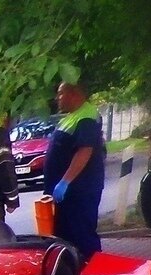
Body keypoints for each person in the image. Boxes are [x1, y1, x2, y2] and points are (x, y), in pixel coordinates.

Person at [44, 82, 106, 261]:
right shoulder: (72, 116)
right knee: (66, 237)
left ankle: (92, 271)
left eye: (60, 93)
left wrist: (65, 181)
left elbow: (85, 150)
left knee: (82, 236)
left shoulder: (86, 116)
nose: (57, 98)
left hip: (80, 191)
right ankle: (70, 274)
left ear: (74, 94)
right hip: (68, 195)